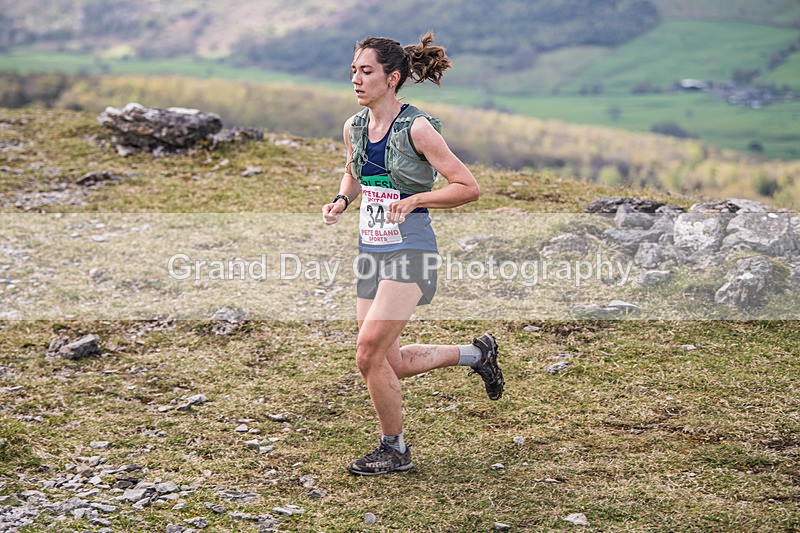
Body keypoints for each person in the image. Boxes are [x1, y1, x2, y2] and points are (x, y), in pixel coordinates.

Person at [321, 33, 504, 476]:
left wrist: (417, 199)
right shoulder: (354, 127)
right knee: (392, 362)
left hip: (411, 247)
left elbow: (468, 187)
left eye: (366, 71)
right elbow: (353, 172)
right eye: (353, 71)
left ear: (392, 78)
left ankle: (395, 449)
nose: (356, 79)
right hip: (371, 247)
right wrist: (342, 200)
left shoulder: (417, 128)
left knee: (367, 352)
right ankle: (476, 354)